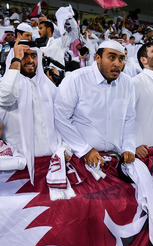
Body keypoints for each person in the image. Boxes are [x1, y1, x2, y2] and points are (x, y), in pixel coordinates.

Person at [0, 37, 72, 188]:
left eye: (33, 56)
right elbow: (5, 96)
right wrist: (16, 60)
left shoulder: (49, 87)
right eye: (24, 55)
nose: (30, 60)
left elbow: (63, 121)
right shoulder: (6, 85)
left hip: (53, 164)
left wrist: (65, 148)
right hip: (19, 169)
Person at [54, 40, 135, 165]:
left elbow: (129, 118)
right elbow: (61, 117)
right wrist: (85, 150)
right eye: (112, 57)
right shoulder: (76, 79)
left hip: (115, 160)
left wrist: (128, 147)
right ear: (97, 58)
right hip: (81, 158)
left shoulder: (127, 82)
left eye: (121, 59)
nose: (117, 64)